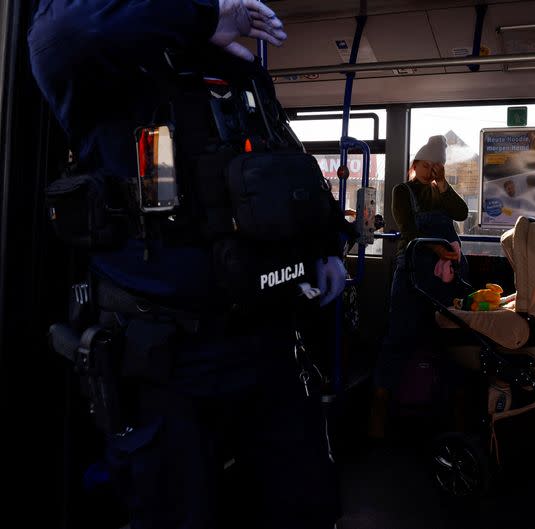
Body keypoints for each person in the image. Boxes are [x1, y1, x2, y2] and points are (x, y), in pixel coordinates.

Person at [29, 1, 348, 528]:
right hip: (165, 358)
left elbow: (282, 166)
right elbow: (64, 33)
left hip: (267, 342)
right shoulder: (105, 63)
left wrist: (327, 245)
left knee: (305, 505)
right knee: (175, 513)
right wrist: (202, 15)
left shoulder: (238, 69)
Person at [368, 135, 469, 439]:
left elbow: (461, 213)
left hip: (445, 275)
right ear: (415, 165)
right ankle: (379, 409)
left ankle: (456, 414)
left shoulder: (440, 193)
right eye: (426, 165)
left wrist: (444, 184)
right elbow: (408, 231)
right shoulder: (403, 191)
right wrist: (436, 249)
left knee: (452, 338)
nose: (430, 170)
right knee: (399, 336)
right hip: (413, 270)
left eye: (436, 165)